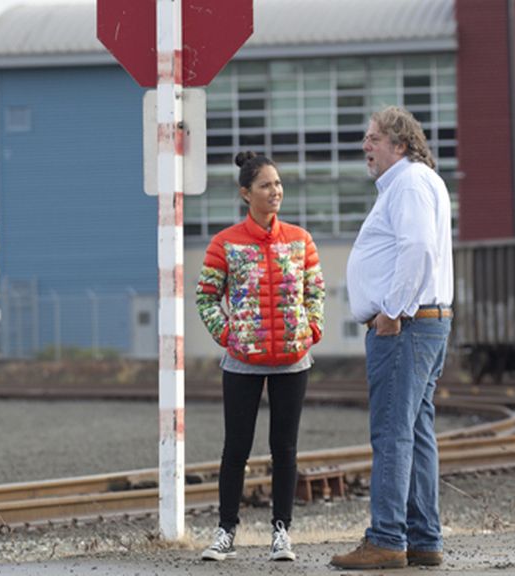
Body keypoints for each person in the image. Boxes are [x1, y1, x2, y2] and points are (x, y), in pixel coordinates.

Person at [331, 106, 454, 570]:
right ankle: (423, 538)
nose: (366, 146)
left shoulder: (408, 183)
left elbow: (418, 247)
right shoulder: (419, 182)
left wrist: (393, 311)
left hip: (406, 326)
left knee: (392, 432)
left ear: (400, 145)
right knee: (417, 431)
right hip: (423, 323)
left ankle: (386, 538)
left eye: (374, 138)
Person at [195, 151, 325, 563]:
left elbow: (315, 292)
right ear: (246, 193)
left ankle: (281, 533)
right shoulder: (226, 243)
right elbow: (205, 297)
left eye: (278, 184)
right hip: (242, 361)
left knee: (284, 448)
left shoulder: (300, 240)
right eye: (266, 185)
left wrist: (312, 330)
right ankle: (225, 532)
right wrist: (229, 335)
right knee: (236, 448)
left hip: (292, 358)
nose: (276, 191)